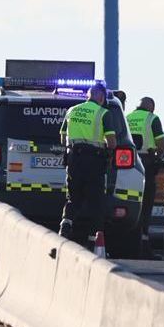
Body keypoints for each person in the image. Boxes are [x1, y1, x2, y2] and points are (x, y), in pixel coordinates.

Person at [59, 84, 117, 245]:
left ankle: (65, 226)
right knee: (96, 201)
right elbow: (111, 142)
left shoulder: (72, 110)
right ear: (101, 97)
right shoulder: (103, 113)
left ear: (88, 95)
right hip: (94, 161)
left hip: (73, 159)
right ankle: (93, 240)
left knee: (73, 197)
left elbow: (63, 138)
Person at [125, 96, 164, 243]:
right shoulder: (152, 118)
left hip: (127, 164)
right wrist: (158, 156)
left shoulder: (127, 117)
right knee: (146, 201)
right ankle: (143, 236)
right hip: (146, 164)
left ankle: (128, 234)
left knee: (129, 198)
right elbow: (160, 145)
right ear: (151, 108)